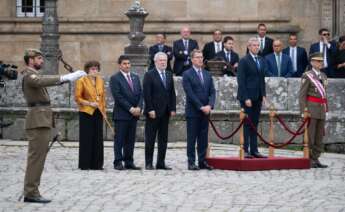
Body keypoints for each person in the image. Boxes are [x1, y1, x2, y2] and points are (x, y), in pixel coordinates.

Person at [21, 49, 86, 203]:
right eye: (38, 58)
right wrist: (66, 77)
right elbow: (41, 81)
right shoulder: (29, 74)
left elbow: (43, 81)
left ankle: (31, 190)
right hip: (37, 121)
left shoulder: (33, 74)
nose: (41, 61)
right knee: (36, 158)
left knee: (38, 158)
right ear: (30, 60)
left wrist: (66, 79)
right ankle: (30, 192)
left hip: (41, 120)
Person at [182, 49, 216, 170]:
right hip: (193, 111)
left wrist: (210, 105)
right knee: (192, 138)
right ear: (192, 60)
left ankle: (202, 161)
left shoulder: (207, 74)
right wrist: (201, 106)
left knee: (203, 138)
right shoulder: (187, 74)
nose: (200, 59)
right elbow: (190, 93)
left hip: (206, 111)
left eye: (201, 57)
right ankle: (191, 162)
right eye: (197, 57)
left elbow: (212, 92)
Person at [143, 52, 176, 170]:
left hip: (165, 112)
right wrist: (150, 109)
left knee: (163, 139)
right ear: (155, 62)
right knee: (150, 138)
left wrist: (172, 108)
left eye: (165, 60)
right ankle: (148, 163)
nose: (163, 62)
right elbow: (147, 94)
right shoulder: (149, 75)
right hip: (153, 112)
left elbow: (172, 93)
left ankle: (160, 163)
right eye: (161, 60)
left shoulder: (168, 74)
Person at [109, 55, 143, 170]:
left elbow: (140, 94)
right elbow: (118, 96)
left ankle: (129, 161)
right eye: (124, 63)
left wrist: (139, 107)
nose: (127, 65)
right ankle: (118, 162)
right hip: (122, 114)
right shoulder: (115, 78)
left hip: (134, 115)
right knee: (120, 140)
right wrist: (131, 109)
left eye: (128, 63)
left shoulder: (135, 77)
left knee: (130, 140)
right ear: (119, 65)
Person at [237, 37, 268, 158]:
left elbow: (262, 79)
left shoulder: (261, 60)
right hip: (247, 97)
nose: (256, 47)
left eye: (257, 45)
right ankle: (245, 149)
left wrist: (263, 95)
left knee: (255, 123)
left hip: (258, 96)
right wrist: (246, 98)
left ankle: (254, 149)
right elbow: (241, 80)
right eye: (253, 45)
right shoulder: (244, 60)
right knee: (247, 123)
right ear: (249, 47)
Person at [299, 52, 328, 168]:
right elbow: (302, 95)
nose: (320, 63)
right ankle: (309, 159)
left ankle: (316, 158)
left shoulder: (324, 76)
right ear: (312, 62)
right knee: (310, 135)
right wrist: (304, 111)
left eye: (321, 61)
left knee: (319, 136)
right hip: (311, 109)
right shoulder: (307, 75)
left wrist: (327, 109)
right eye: (317, 61)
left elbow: (325, 95)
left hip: (321, 110)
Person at [75, 61, 106, 170]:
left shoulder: (100, 81)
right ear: (87, 70)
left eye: (96, 69)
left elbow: (102, 98)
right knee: (86, 138)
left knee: (98, 138)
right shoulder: (81, 81)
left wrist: (103, 111)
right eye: (92, 69)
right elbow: (78, 98)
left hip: (98, 112)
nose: (95, 71)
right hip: (86, 112)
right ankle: (85, 164)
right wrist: (89, 103)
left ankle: (97, 164)